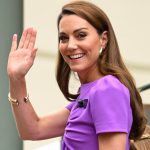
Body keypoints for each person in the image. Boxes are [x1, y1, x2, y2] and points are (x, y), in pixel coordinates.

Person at [7, 1, 147, 150]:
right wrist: (16, 78)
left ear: (103, 39)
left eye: (81, 35)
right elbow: (33, 129)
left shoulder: (107, 89)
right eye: (64, 38)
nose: (71, 45)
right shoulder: (90, 93)